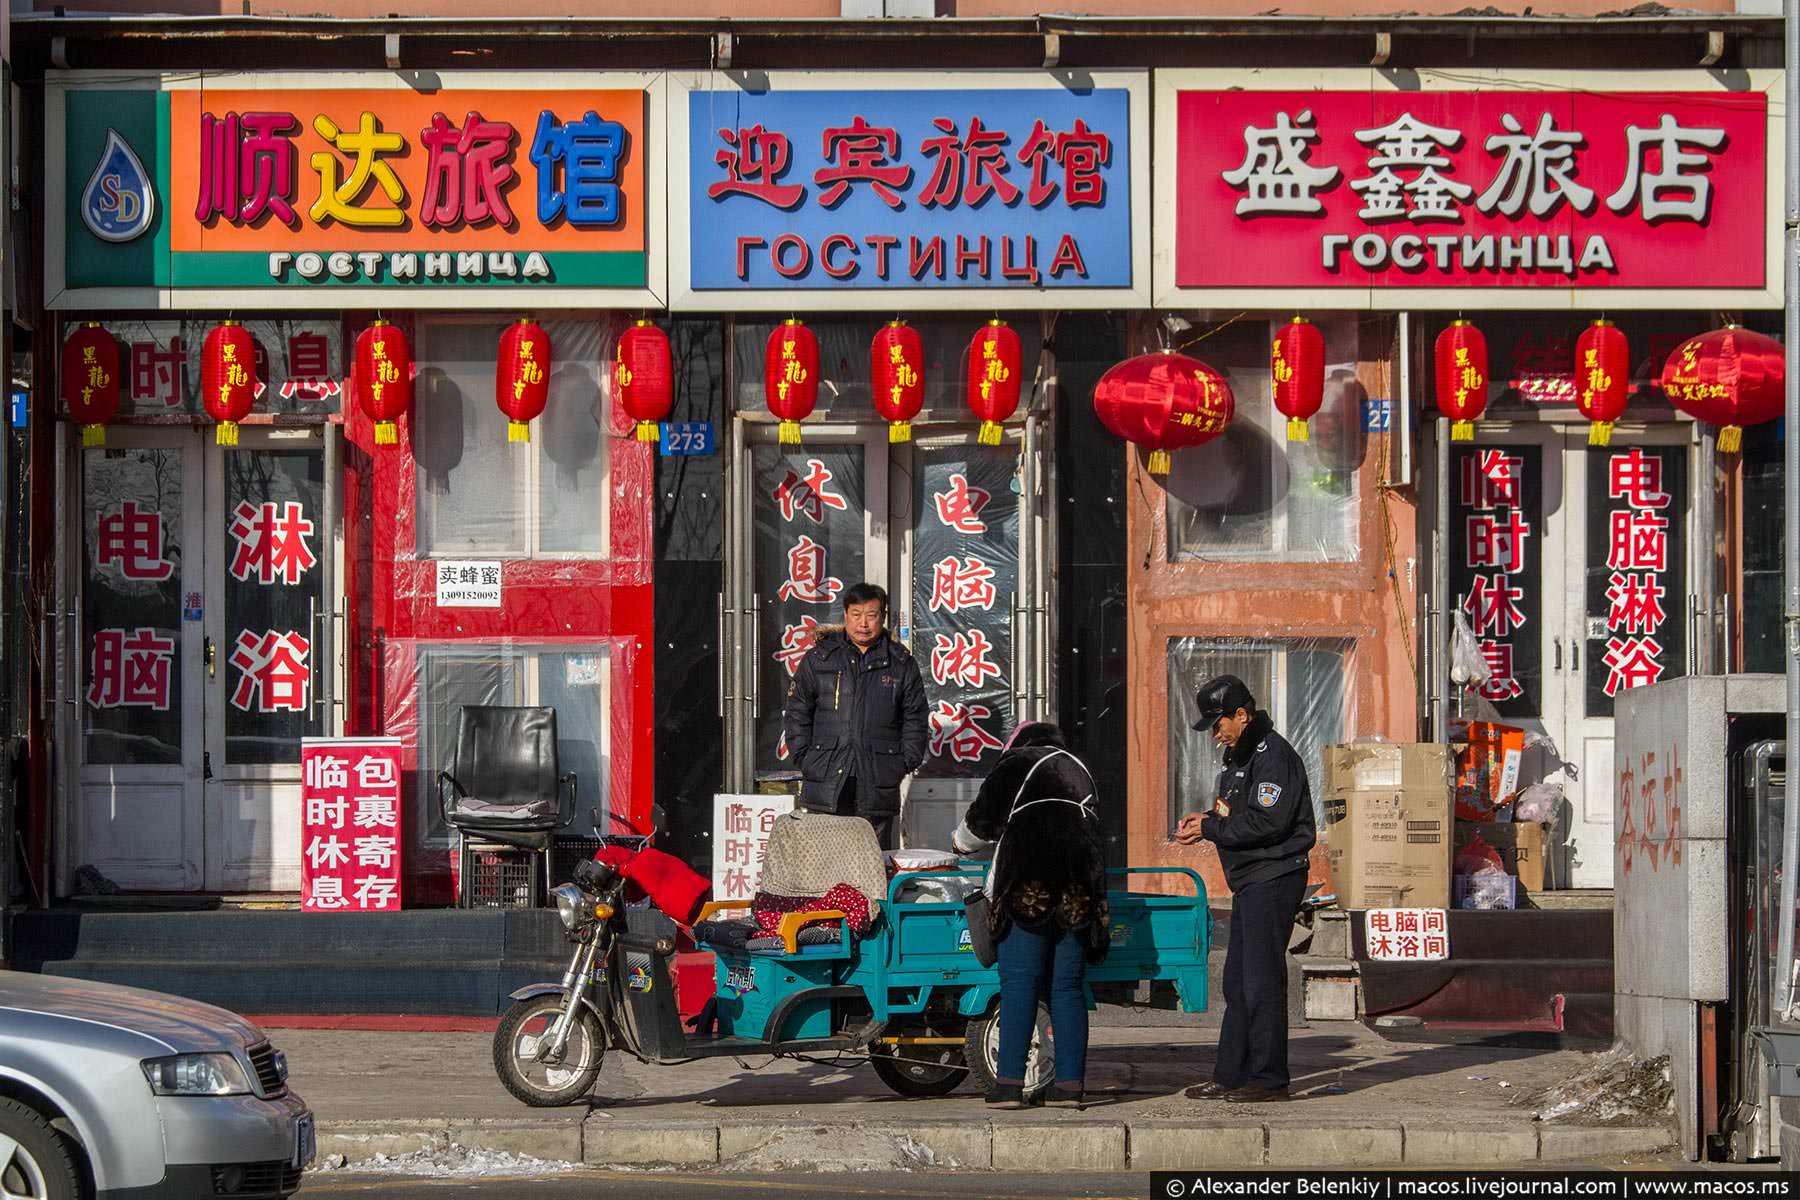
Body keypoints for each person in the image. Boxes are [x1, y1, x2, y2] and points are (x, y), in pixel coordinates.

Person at [953, 721, 1109, 1111]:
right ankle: (1071, 1086)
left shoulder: (1017, 763)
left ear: (1018, 744)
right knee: (1067, 988)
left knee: (1020, 984)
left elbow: (980, 825)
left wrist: (957, 844)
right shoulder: (1080, 768)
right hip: (1078, 893)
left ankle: (1008, 1084)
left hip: (1030, 891)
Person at [1175, 674, 1315, 1104]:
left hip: (1273, 877)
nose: (1215, 733)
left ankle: (1269, 1079)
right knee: (1237, 982)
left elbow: (1267, 821)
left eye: (1219, 723)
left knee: (1261, 982)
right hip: (1250, 879)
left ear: (1242, 714)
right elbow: (1238, 813)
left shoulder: (1273, 756)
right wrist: (1206, 822)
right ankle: (1230, 1074)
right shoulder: (1239, 756)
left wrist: (1211, 827)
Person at [782, 582, 928, 851]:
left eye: (871, 616)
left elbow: (916, 717)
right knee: (824, 860)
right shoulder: (820, 658)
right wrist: (803, 755)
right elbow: (797, 711)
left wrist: (903, 761)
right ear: (846, 615)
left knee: (872, 862)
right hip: (825, 773)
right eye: (856, 614)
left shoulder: (900, 663)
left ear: (882, 618)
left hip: (878, 776)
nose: (863, 623)